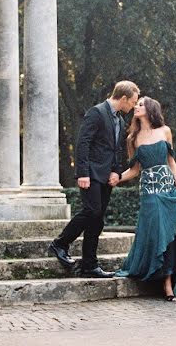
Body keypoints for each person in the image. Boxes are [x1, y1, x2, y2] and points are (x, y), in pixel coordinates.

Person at [48, 80, 140, 278]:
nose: (133, 106)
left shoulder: (120, 120)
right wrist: (82, 173)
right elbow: (83, 143)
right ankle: (60, 243)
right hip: (91, 174)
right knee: (92, 211)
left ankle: (90, 265)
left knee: (97, 220)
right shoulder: (96, 113)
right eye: (132, 102)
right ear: (123, 98)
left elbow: (117, 149)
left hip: (107, 177)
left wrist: (116, 171)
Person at [116, 96, 176, 301]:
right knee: (156, 233)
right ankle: (156, 275)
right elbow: (134, 170)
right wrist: (117, 178)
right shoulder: (132, 139)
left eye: (140, 104)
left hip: (167, 188)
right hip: (149, 191)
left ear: (150, 109)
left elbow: (171, 161)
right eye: (136, 104)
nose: (136, 107)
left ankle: (168, 283)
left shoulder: (165, 131)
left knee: (168, 233)